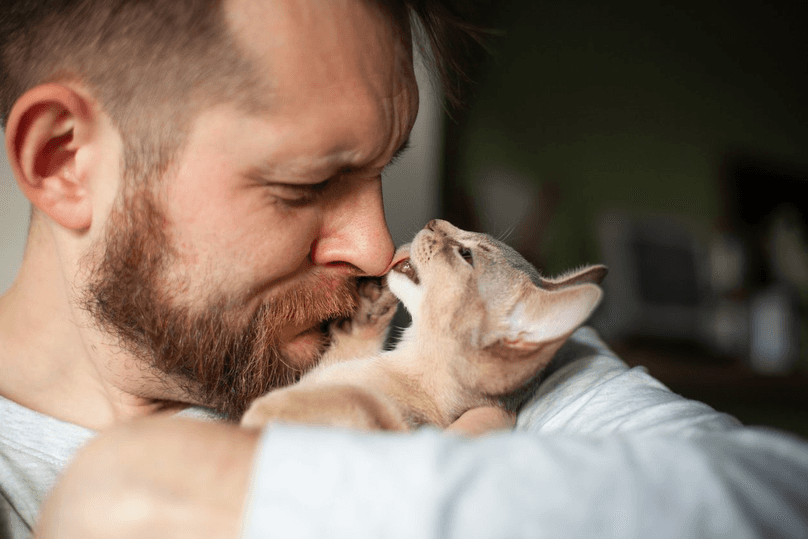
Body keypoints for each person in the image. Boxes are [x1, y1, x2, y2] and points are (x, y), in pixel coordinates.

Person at [1, 1, 807, 538]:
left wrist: (181, 491)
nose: (378, 245)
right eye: (307, 184)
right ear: (64, 161)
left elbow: (777, 495)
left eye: (382, 169)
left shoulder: (436, 343)